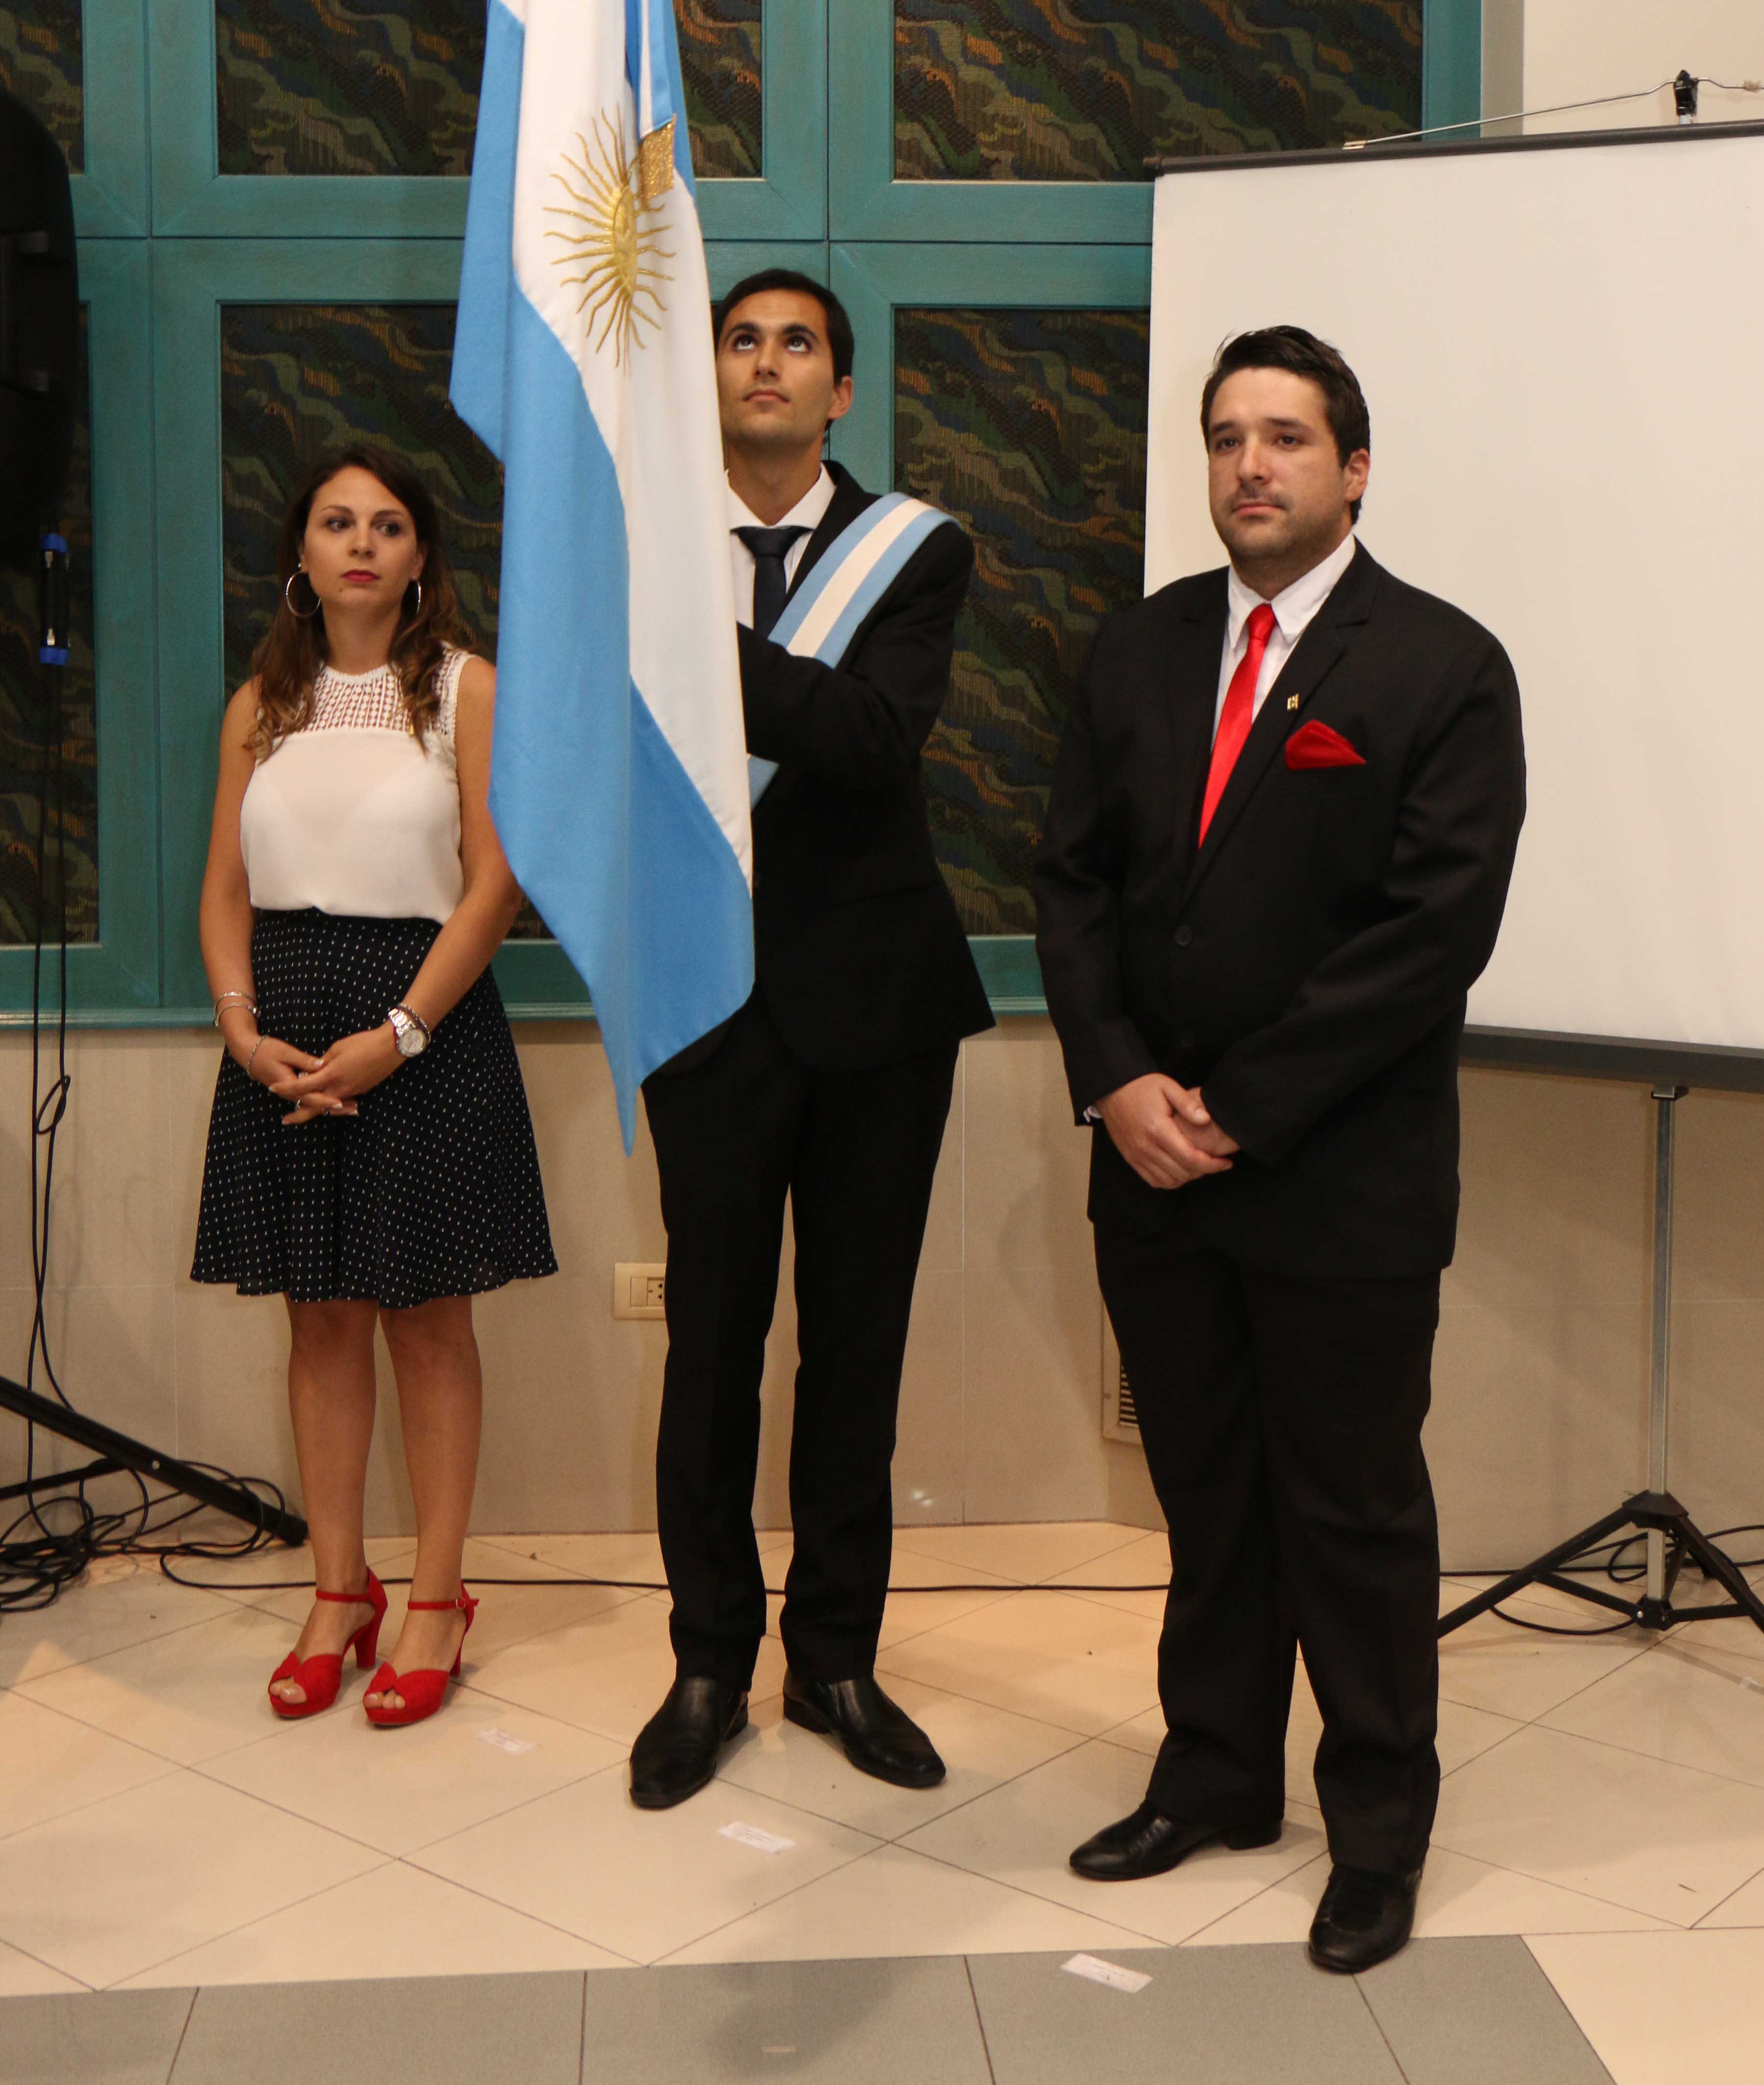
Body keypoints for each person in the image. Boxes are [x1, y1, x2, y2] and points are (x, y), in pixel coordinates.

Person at [1034, 326, 1525, 1973]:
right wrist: (1118, 1082)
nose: (1252, 465)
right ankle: (1217, 1775)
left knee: (1353, 1513)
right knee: (1207, 1496)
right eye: (1229, 436)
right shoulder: (1140, 648)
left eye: (1289, 437)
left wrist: (1237, 1107)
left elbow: (1430, 934)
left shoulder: (1444, 665)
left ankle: (1377, 1834)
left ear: (1354, 469)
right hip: (1150, 1169)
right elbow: (1071, 884)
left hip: (1340, 1180)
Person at [629, 267, 994, 1810]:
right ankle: (708, 1662)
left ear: (841, 391)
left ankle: (836, 1657)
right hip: (702, 1002)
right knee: (710, 1352)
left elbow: (871, 740)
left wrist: (686, 645)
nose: (766, 362)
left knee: (856, 1352)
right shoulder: (639, 550)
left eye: (797, 345)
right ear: (706, 375)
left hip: (881, 1011)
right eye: (740, 339)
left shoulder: (915, 549)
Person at [194, 445, 553, 1727]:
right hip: (284, 1032)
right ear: (302, 551)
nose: (361, 542)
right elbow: (224, 892)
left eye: (387, 525)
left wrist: (397, 1034)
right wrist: (245, 1033)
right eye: (337, 522)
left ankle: (437, 1600)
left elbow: (494, 887)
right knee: (321, 1320)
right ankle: (339, 1595)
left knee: (428, 1323)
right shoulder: (259, 706)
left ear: (419, 558)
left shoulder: (468, 689)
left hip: (425, 1023)